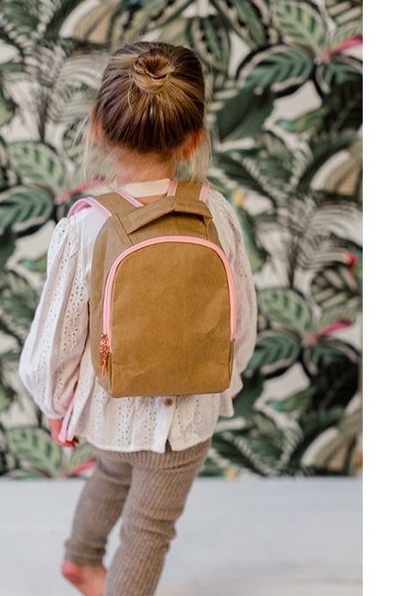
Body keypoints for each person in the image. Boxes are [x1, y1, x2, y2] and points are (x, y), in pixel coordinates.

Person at [18, 40, 259, 596]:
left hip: (110, 407)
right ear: (194, 138)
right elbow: (241, 312)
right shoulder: (215, 210)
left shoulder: (84, 225)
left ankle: (81, 559)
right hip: (186, 416)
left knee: (113, 470)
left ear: (98, 127)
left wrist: (58, 404)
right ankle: (91, 568)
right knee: (149, 530)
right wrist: (227, 381)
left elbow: (56, 336)